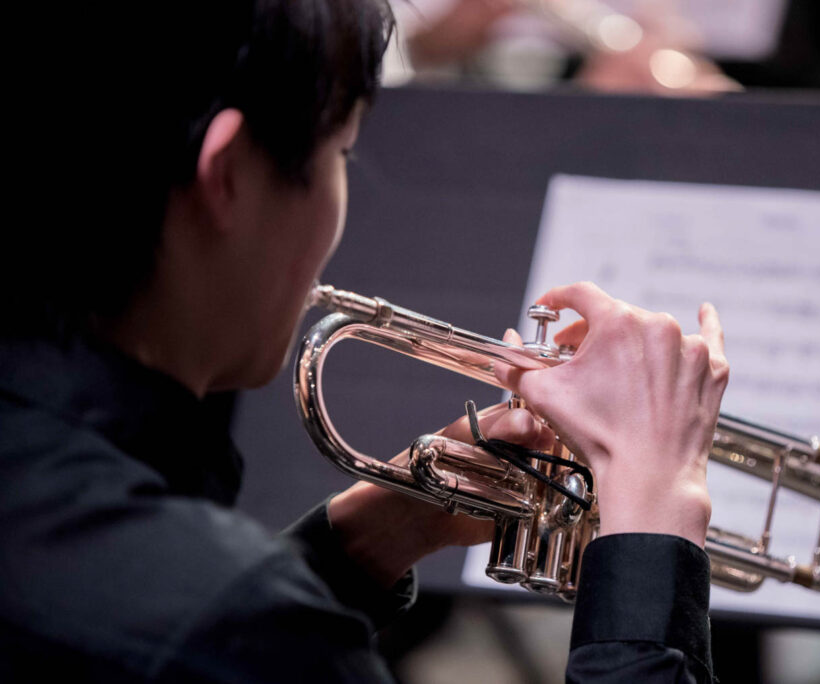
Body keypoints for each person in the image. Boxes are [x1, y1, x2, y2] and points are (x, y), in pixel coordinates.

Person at [1, 1, 728, 681]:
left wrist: (363, 544)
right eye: (342, 155)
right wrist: (653, 518)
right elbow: (217, 632)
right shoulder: (249, 627)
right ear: (227, 175)